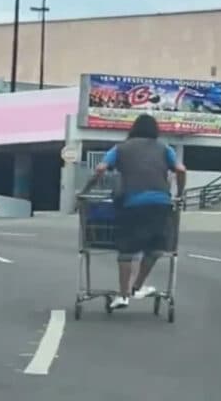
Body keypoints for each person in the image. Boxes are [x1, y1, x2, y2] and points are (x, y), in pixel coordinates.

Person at [79, 114, 187, 309]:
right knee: (156, 248)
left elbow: (101, 168)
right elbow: (181, 170)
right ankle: (137, 286)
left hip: (132, 203)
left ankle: (123, 295)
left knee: (126, 251)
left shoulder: (120, 148)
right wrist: (179, 194)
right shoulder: (164, 149)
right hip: (160, 203)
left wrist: (85, 191)